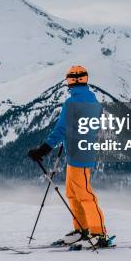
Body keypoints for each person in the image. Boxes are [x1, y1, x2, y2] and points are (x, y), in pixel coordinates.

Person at [27, 65, 108, 247]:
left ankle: (98, 233)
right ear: (85, 80)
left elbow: (61, 129)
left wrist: (43, 150)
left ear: (70, 81)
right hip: (80, 152)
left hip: (79, 154)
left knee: (85, 194)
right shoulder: (94, 102)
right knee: (73, 193)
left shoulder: (71, 103)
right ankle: (82, 229)